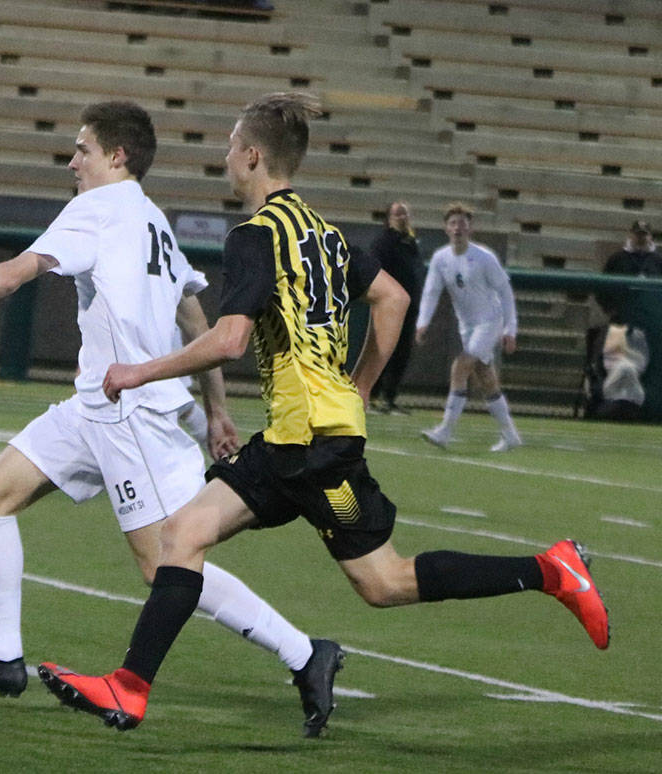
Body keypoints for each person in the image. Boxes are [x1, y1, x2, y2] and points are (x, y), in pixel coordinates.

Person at [37, 93, 609, 737]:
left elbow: (228, 340)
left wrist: (138, 371)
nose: (226, 157)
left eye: (230, 147)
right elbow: (391, 297)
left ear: (253, 156)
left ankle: (550, 569)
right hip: (301, 437)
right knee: (221, 545)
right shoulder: (326, 234)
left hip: (310, 446)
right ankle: (131, 688)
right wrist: (359, 385)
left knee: (353, 575)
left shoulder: (254, 237)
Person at [0, 101, 335, 734]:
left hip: (131, 415)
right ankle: (3, 656)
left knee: (166, 563)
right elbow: (192, 312)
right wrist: (217, 406)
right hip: (96, 407)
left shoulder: (99, 209)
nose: (72, 161)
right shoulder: (151, 217)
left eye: (82, 149)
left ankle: (305, 654)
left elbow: (14, 275)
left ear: (117, 157)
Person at [416, 203, 522, 452]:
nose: (457, 229)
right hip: (468, 326)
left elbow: (505, 291)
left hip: (490, 321)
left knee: (460, 366)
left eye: (462, 224)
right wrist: (422, 322)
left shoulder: (484, 257)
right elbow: (431, 292)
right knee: (485, 376)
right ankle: (510, 435)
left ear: (470, 228)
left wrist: (510, 329)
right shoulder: (441, 259)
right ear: (446, 228)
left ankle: (444, 431)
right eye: (453, 224)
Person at [369, 201, 423, 414]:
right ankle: (371, 395)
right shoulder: (383, 243)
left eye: (405, 214)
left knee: (402, 352)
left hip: (409, 306)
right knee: (383, 350)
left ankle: (390, 398)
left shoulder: (410, 242)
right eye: (398, 214)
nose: (403, 218)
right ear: (389, 218)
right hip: (390, 306)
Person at [596, 220, 660, 324]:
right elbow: (602, 287)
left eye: (644, 234)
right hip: (621, 318)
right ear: (631, 235)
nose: (641, 238)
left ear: (650, 237)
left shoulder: (658, 261)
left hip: (651, 320)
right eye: (638, 234)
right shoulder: (617, 259)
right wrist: (611, 310)